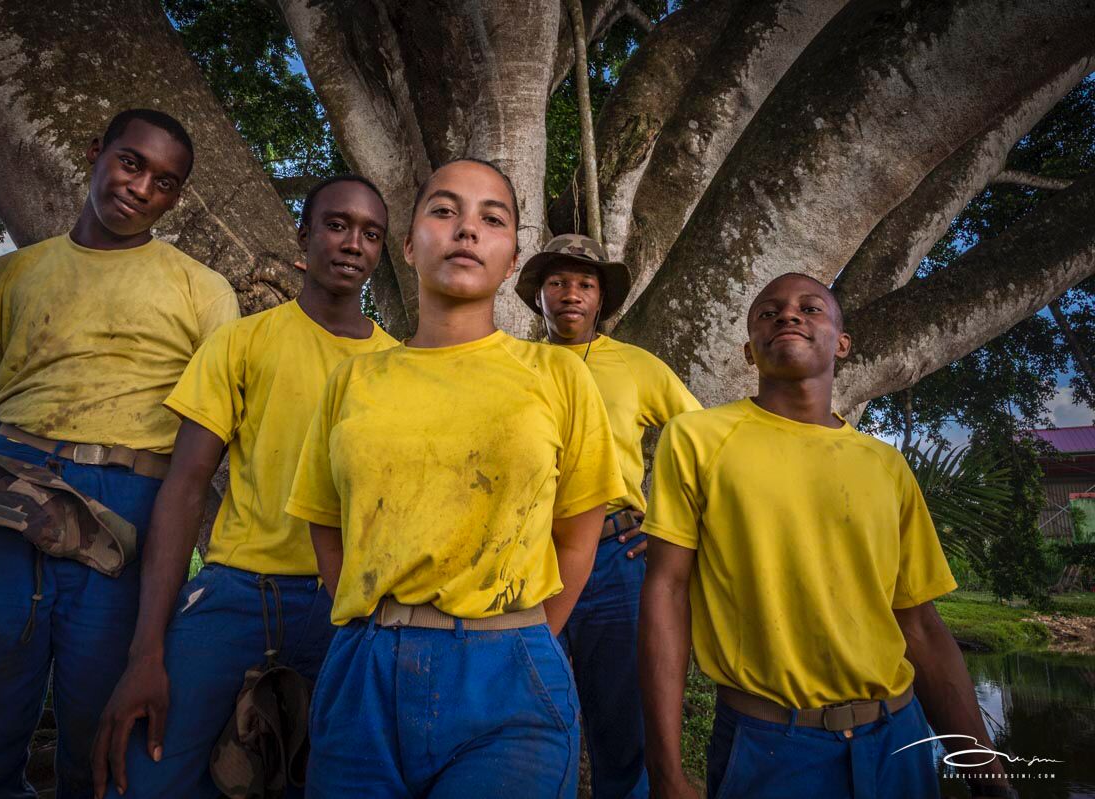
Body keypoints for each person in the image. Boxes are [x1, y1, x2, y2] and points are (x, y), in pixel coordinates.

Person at [0, 109, 239, 799]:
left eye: (166, 183)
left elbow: (206, 433)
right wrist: (45, 457)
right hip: (6, 493)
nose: (142, 187)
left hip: (131, 510)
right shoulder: (7, 276)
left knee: (106, 735)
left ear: (175, 199)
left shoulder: (203, 291)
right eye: (131, 163)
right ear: (96, 153)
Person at [286, 158, 626, 798]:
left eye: (491, 218)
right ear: (410, 246)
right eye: (444, 211)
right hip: (363, 670)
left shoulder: (557, 378)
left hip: (509, 671)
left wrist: (519, 642)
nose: (467, 230)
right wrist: (382, 618)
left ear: (510, 258)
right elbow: (325, 524)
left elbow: (578, 536)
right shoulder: (354, 381)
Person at [638, 272, 1016, 799]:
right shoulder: (698, 438)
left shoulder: (884, 464)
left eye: (810, 308)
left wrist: (989, 778)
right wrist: (666, 771)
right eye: (769, 312)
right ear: (750, 352)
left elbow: (922, 629)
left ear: (841, 343)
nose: (788, 315)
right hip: (769, 744)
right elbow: (667, 593)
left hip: (898, 740)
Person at [89, 175, 397, 798]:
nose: (352, 244)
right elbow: (185, 486)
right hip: (238, 592)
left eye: (371, 234)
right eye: (336, 225)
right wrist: (147, 647)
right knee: (149, 772)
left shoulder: (400, 365)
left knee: (325, 779)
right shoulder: (241, 342)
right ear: (303, 236)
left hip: (348, 609)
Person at [513, 234, 701, 798]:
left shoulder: (638, 366)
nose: (571, 293)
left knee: (622, 715)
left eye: (585, 284)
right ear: (538, 296)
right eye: (558, 282)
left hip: (616, 558)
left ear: (601, 300)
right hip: (526, 555)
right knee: (526, 707)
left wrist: (669, 526)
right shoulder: (512, 362)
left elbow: (702, 444)